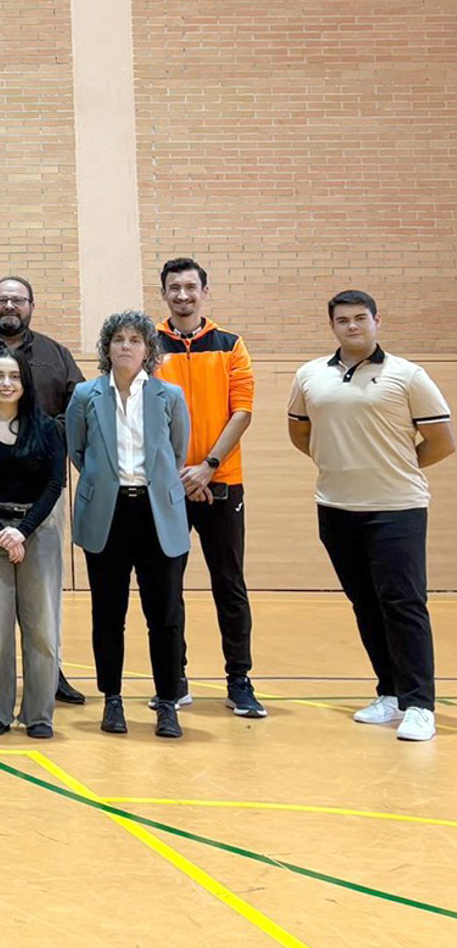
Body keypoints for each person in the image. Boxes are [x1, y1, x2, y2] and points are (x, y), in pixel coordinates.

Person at [288, 290, 452, 742]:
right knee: (366, 604)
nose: (353, 327)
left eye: (361, 318)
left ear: (377, 320)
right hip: (336, 508)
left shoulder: (408, 376)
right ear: (333, 326)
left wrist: (393, 465)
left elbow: (442, 439)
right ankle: (391, 694)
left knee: (403, 605)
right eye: (343, 320)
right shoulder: (309, 376)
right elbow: (300, 432)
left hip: (397, 508)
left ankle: (420, 704)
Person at [0, 275, 86, 705]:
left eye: (18, 300)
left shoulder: (55, 355)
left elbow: (76, 407)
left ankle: (48, 678)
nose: (10, 306)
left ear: (31, 305)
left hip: (42, 495)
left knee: (42, 602)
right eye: (2, 299)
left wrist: (40, 438)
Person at [67, 310, 192, 740]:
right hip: (108, 513)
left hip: (158, 513)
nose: (126, 346)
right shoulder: (86, 395)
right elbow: (78, 452)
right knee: (108, 613)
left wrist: (149, 484)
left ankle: (168, 702)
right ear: (106, 348)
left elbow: (177, 454)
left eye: (135, 340)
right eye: (117, 339)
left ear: (148, 350)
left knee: (165, 615)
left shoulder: (169, 395)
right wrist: (110, 483)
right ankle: (113, 699)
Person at [154, 258, 265, 717]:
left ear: (205, 290)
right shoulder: (149, 345)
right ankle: (173, 680)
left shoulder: (230, 345)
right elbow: (146, 416)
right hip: (168, 486)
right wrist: (182, 471)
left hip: (222, 484)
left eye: (190, 287)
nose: (183, 295)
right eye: (174, 288)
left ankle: (239, 680)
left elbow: (242, 411)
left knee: (229, 584)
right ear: (164, 293)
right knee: (167, 587)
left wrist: (209, 466)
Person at [0, 352, 66, 738]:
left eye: (14, 376)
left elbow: (55, 485)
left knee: (42, 628)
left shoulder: (49, 428)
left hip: (39, 533)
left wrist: (23, 530)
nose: (6, 383)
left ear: (25, 383)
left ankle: (39, 714)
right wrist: (0, 531)